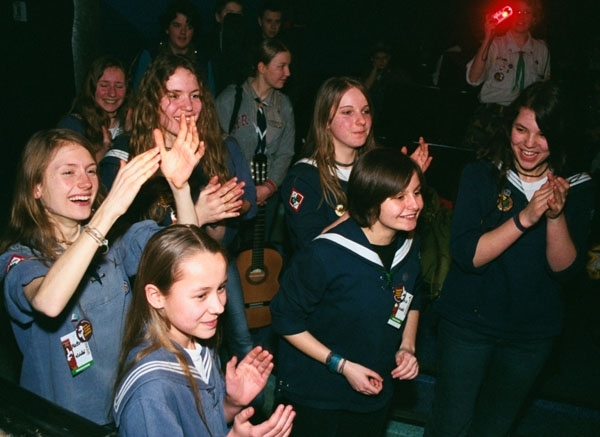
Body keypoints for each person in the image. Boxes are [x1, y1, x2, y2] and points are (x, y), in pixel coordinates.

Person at [0, 124, 202, 425]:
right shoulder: (21, 257)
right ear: (36, 187)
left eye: (91, 171)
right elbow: (48, 302)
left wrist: (180, 187)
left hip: (125, 410)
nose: (85, 182)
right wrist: (109, 210)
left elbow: (189, 254)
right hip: (61, 423)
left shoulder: (115, 240)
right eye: (68, 172)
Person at [424, 81, 595, 436]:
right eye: (521, 129)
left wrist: (555, 216)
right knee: (450, 425)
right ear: (509, 127)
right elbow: (468, 256)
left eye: (543, 134)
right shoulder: (481, 173)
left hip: (530, 335)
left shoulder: (576, 185)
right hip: (468, 324)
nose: (530, 143)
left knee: (495, 427)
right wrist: (525, 218)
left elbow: (564, 270)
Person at [102, 53, 257, 364]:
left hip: (202, 293)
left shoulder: (208, 151)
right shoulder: (126, 158)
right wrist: (199, 215)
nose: (187, 106)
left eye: (195, 95)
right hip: (147, 306)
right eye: (173, 96)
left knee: (225, 355)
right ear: (151, 101)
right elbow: (121, 253)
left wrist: (222, 212)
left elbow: (217, 238)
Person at [271, 147, 423, 437]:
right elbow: (284, 319)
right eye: (399, 197)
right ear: (371, 199)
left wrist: (407, 345)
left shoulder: (410, 242)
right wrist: (341, 365)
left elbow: (411, 292)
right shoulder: (324, 254)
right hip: (316, 393)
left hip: (374, 389)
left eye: (417, 192)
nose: (414, 204)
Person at [112, 224, 296, 436]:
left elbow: (203, 426)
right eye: (201, 295)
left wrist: (232, 403)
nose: (219, 307)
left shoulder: (198, 341)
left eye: (221, 288)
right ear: (156, 296)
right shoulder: (151, 394)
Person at [280, 76, 430, 255]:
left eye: (365, 111)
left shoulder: (377, 164)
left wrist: (405, 181)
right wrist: (365, 202)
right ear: (326, 120)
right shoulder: (304, 177)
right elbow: (311, 248)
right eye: (347, 112)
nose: (361, 121)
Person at [216, 38, 295, 246]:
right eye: (281, 66)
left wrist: (268, 187)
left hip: (268, 195)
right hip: (235, 194)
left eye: (288, 66)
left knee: (259, 249)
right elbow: (215, 146)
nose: (287, 73)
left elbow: (286, 152)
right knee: (230, 248)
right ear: (262, 67)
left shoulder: (284, 105)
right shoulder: (230, 99)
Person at [463, 0, 550, 149]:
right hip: (491, 116)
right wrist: (488, 38)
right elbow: (473, 79)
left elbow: (544, 89)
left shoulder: (541, 50)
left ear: (534, 18)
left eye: (526, 12)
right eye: (516, 12)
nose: (521, 17)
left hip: (524, 120)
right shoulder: (495, 44)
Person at [130, 0, 214, 95]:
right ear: (167, 29)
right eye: (177, 25)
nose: (183, 32)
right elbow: (139, 92)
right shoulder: (151, 55)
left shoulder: (203, 60)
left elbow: (209, 96)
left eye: (189, 27)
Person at [58, 55, 131, 163]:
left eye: (119, 86)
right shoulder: (73, 125)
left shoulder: (131, 124)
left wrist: (131, 134)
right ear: (92, 88)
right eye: (104, 86)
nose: (112, 93)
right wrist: (104, 149)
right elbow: (70, 169)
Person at [363, 42, 411, 141]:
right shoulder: (367, 72)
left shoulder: (396, 73)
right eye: (378, 58)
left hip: (390, 113)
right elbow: (365, 88)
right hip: (372, 111)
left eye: (384, 58)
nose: (381, 61)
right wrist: (374, 69)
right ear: (372, 59)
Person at [209, 0, 247, 95]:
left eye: (238, 14)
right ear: (218, 17)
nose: (234, 18)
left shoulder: (249, 44)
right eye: (230, 13)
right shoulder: (207, 44)